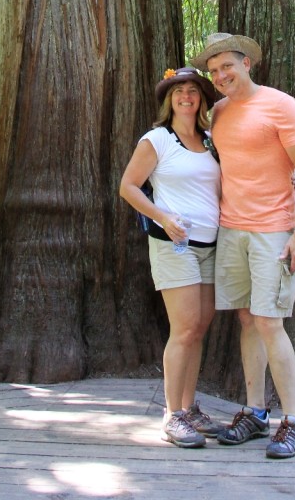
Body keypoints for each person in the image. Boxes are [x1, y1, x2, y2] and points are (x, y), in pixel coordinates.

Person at [189, 31, 295, 460]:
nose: (220, 75)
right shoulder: (220, 112)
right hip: (232, 228)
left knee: (270, 322)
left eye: (227, 65)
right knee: (247, 319)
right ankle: (255, 411)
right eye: (213, 70)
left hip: (274, 231)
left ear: (247, 63)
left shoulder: (281, 106)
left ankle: (294, 421)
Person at [120, 66, 223, 449]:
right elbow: (128, 186)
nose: (186, 96)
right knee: (184, 328)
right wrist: (162, 216)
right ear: (169, 99)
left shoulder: (212, 141)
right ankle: (172, 415)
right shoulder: (157, 140)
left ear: (201, 100)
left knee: (198, 329)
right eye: (179, 90)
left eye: (193, 91)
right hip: (172, 242)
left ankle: (189, 407)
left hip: (210, 244)